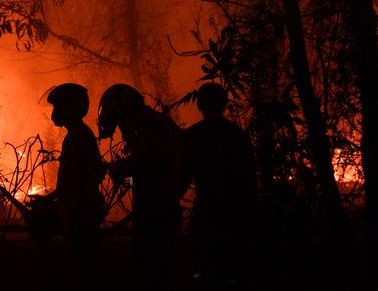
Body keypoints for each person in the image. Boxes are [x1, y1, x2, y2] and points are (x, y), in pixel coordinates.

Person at [97, 84, 187, 290]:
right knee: (158, 258)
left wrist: (119, 167)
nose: (121, 129)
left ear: (124, 110)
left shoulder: (146, 126)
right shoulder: (153, 122)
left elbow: (149, 161)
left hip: (155, 205)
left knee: (151, 261)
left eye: (118, 121)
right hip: (162, 201)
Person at [184, 83, 258, 288]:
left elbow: (182, 171)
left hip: (209, 208)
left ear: (200, 105)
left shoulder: (194, 135)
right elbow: (249, 178)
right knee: (230, 265)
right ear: (223, 104)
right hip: (234, 209)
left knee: (203, 264)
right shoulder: (237, 135)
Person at [37, 83, 105, 285]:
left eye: (58, 107)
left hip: (81, 212)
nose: (55, 112)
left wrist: (63, 207)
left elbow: (80, 181)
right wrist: (50, 199)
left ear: (69, 108)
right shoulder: (78, 135)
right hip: (81, 210)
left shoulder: (78, 138)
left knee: (80, 269)